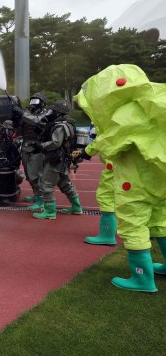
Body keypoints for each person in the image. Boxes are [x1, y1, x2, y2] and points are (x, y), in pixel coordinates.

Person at [77, 64, 166, 293]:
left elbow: (110, 143)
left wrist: (86, 152)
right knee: (160, 220)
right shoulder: (153, 102)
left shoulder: (127, 113)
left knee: (133, 223)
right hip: (159, 176)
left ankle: (142, 279)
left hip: (136, 179)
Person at [30, 100, 83, 219]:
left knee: (46, 183)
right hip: (63, 159)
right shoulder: (68, 124)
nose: (51, 113)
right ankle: (76, 207)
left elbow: (56, 143)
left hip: (56, 159)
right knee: (65, 184)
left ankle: (49, 212)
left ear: (59, 113)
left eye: (53, 111)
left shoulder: (61, 126)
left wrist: (41, 146)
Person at [74, 127, 117, 245]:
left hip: (115, 167)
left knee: (106, 198)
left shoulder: (108, 125)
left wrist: (83, 152)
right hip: (131, 168)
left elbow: (100, 141)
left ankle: (107, 235)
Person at [20, 92, 49, 210]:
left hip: (37, 150)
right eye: (32, 101)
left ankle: (41, 200)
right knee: (29, 175)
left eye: (36, 102)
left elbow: (37, 121)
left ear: (42, 103)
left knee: (36, 176)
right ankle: (36, 195)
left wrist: (22, 113)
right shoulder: (28, 114)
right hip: (26, 147)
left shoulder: (46, 114)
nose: (33, 104)